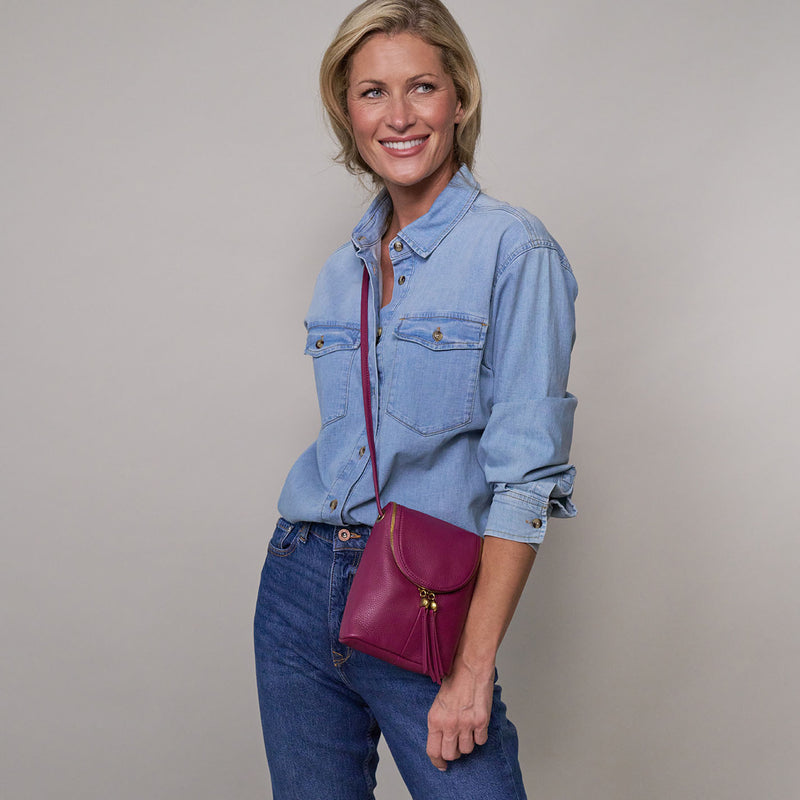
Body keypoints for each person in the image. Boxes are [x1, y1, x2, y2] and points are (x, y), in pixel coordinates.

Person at [253, 1, 578, 797]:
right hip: (298, 584)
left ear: (459, 99)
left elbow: (527, 480)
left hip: (421, 596)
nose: (398, 116)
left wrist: (472, 667)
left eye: (422, 87)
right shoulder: (346, 267)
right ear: (347, 111)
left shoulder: (514, 249)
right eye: (373, 92)